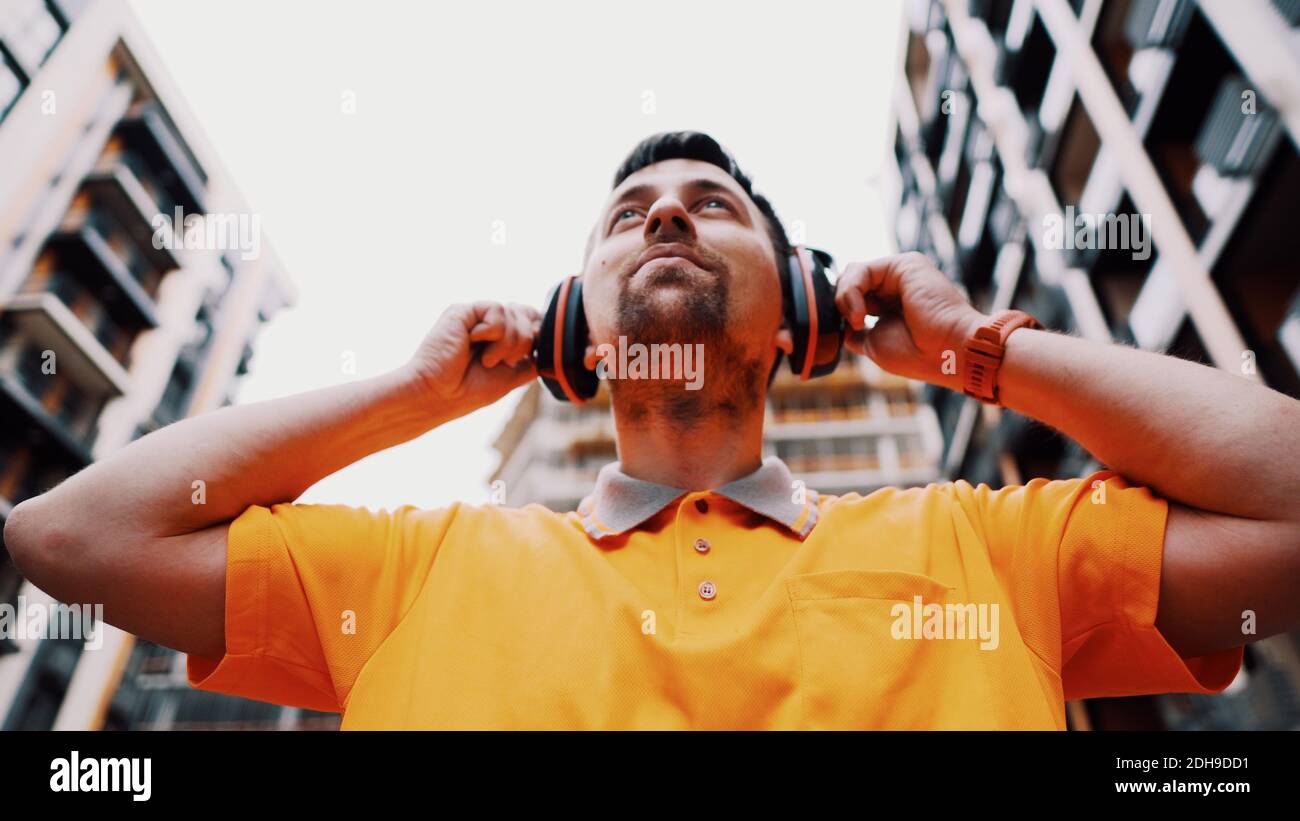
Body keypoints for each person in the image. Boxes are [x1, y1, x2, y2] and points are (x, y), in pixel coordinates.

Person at [7, 131, 1299, 729]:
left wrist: (975, 351)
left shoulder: (991, 554)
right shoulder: (409, 576)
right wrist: (418, 392)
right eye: (629, 213)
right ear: (577, 324)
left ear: (801, 308)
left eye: (710, 205)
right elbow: (73, 537)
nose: (667, 219)